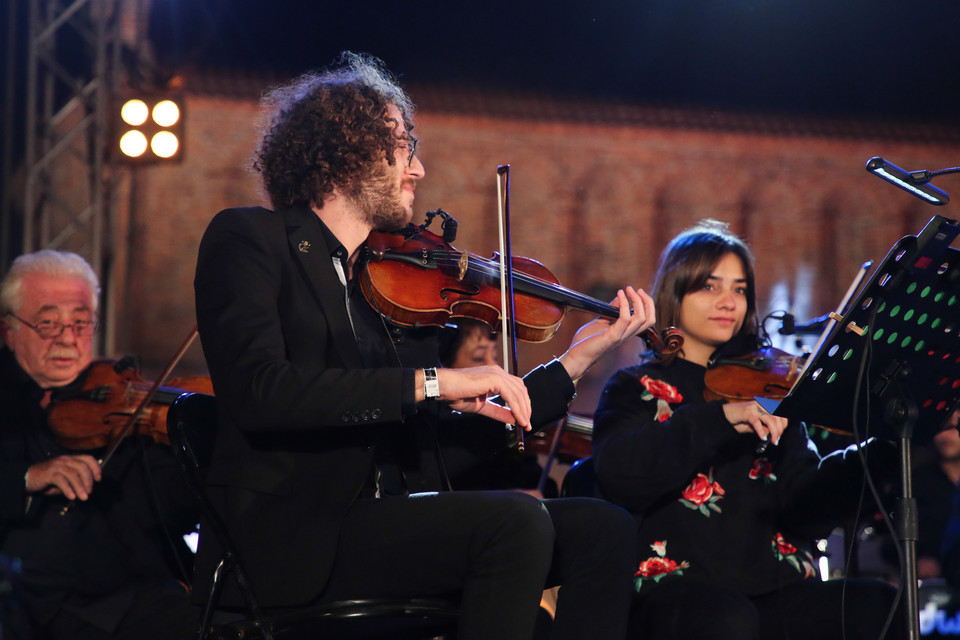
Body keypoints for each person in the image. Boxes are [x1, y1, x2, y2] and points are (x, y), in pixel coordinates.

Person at [192, 52, 655, 640]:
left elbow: (446, 440)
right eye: (403, 146)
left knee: (602, 529)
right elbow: (261, 391)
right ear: (349, 151)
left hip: (387, 523)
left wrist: (577, 359)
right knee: (513, 523)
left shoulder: (390, 284)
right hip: (294, 538)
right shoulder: (250, 239)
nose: (419, 168)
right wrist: (434, 381)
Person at [592, 219, 903, 640]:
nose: (729, 302)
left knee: (879, 607)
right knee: (726, 619)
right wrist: (722, 417)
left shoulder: (771, 385)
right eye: (709, 286)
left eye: (739, 289)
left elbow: (804, 508)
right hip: (679, 592)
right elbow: (620, 476)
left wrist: (883, 447)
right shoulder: (635, 387)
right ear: (676, 291)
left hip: (775, 587)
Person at [0, 250, 199, 640]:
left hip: (150, 596)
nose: (67, 339)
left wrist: (211, 461)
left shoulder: (123, 398)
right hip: (45, 607)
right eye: (48, 323)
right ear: (9, 330)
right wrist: (28, 476)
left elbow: (174, 501)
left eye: (80, 322)